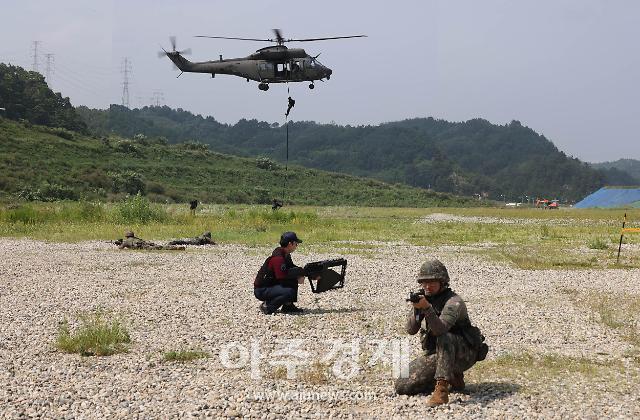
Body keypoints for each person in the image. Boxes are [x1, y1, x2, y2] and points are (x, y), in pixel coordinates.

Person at [394, 259, 487, 406]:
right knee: (402, 386)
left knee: (445, 336)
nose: (427, 286)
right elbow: (411, 330)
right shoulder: (425, 300)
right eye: (424, 282)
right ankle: (453, 377)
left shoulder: (454, 302)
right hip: (440, 354)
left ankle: (442, 390)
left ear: (442, 282)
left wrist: (427, 309)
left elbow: (440, 330)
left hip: (464, 354)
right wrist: (417, 309)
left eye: (432, 282)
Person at [254, 231, 306, 314]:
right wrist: (297, 278)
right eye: (296, 244)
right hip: (261, 289)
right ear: (290, 244)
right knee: (289, 291)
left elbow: (292, 268)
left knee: (293, 278)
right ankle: (268, 307)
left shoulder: (285, 255)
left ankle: (288, 306)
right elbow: (281, 277)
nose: (297, 246)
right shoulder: (278, 258)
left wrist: (304, 273)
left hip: (269, 285)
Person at [118, 231, 185, 251]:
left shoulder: (126, 241)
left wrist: (120, 244)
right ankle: (175, 247)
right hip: (144, 243)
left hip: (141, 246)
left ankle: (175, 248)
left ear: (126, 236)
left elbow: (120, 248)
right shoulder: (136, 238)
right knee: (160, 247)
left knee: (156, 248)